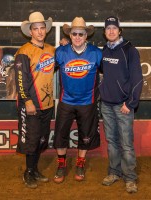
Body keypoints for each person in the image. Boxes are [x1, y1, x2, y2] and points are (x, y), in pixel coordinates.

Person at [53, 17, 102, 183]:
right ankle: (61, 165)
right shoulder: (60, 52)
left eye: (81, 33)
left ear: (86, 35)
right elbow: (44, 72)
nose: (78, 36)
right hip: (66, 101)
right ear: (70, 35)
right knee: (60, 135)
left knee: (85, 136)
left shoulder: (96, 53)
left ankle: (80, 163)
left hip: (87, 102)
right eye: (74, 33)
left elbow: (110, 73)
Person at [99, 16, 143, 193]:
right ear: (105, 32)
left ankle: (130, 177)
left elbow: (138, 79)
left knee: (125, 143)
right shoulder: (104, 51)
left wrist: (131, 103)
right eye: (108, 28)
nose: (111, 31)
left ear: (120, 31)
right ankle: (114, 172)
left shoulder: (129, 50)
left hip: (123, 105)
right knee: (111, 141)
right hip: (106, 104)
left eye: (114, 28)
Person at [14, 11, 55, 189]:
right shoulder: (24, 52)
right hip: (31, 104)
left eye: (42, 28)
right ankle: (28, 172)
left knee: (40, 139)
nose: (39, 32)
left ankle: (34, 169)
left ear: (45, 30)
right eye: (35, 29)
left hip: (47, 104)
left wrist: (65, 44)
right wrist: (27, 101)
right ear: (30, 31)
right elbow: (21, 79)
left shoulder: (51, 49)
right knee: (31, 140)